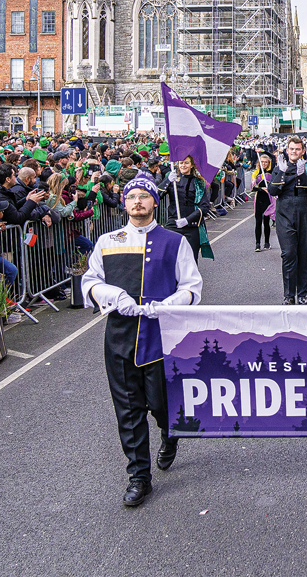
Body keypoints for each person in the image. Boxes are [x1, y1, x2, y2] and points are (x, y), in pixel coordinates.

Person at [81, 174, 203, 508]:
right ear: (124, 203)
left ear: (154, 202)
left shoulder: (175, 242)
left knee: (161, 406)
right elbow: (90, 280)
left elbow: (192, 287)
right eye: (132, 196)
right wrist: (111, 294)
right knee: (129, 411)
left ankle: (169, 433)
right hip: (120, 339)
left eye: (144, 196)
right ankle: (139, 476)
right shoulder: (108, 241)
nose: (138, 202)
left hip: (161, 338)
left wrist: (170, 305)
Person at [267, 137, 307, 305]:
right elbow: (272, 189)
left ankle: (302, 293)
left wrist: (302, 175)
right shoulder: (280, 167)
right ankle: (288, 295)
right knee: (288, 254)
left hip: (306, 214)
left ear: (303, 151)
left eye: (297, 149)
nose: (294, 152)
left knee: (303, 255)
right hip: (285, 215)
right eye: (291, 149)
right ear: (287, 150)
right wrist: (282, 172)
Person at [160, 156, 212, 260]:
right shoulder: (173, 181)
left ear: (192, 165)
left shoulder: (199, 182)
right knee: (170, 258)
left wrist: (187, 220)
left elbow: (204, 207)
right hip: (173, 223)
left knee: (190, 259)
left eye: (186, 163)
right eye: (181, 163)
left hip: (192, 226)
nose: (183, 165)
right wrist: (167, 181)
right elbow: (156, 196)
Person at [250, 152, 274, 252]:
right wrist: (261, 189)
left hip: (268, 199)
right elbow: (252, 187)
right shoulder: (255, 173)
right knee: (258, 222)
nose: (263, 164)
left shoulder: (271, 173)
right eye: (262, 162)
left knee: (266, 222)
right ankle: (257, 244)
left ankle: (267, 243)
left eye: (266, 162)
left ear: (269, 163)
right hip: (259, 198)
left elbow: (274, 185)